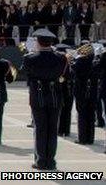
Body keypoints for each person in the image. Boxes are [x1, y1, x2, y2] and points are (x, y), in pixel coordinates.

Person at [21, 29, 67, 170]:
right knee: (52, 130)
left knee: (40, 129)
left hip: (38, 96)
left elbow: (25, 73)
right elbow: (65, 76)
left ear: (39, 43)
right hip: (55, 96)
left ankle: (41, 160)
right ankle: (51, 161)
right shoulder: (61, 58)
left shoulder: (30, 58)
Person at [72, 43, 99, 145]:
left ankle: (82, 138)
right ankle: (90, 138)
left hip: (81, 91)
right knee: (91, 115)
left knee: (82, 115)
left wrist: (75, 58)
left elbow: (73, 70)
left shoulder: (80, 61)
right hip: (92, 91)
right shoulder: (96, 62)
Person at [54, 44, 74, 137]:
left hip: (61, 89)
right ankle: (65, 130)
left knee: (61, 110)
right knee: (66, 110)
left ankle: (61, 130)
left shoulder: (58, 63)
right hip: (68, 89)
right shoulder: (69, 64)